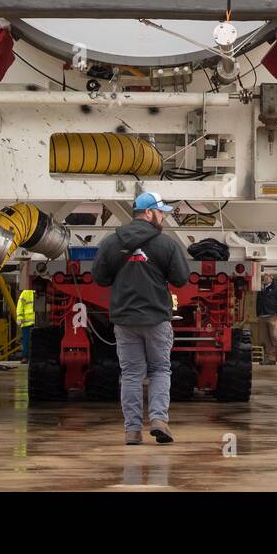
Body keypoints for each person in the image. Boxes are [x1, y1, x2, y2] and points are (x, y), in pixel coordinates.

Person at [93, 191, 189, 446]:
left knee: (132, 374)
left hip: (125, 320)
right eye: (161, 213)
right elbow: (181, 278)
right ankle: (159, 420)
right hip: (157, 318)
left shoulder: (112, 242)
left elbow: (100, 278)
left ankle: (132, 431)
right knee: (159, 370)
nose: (163, 218)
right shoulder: (165, 244)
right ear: (148, 212)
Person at [256, 273, 277, 365]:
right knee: (266, 338)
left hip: (273, 316)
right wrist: (258, 313)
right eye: (264, 276)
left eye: (268, 276)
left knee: (275, 335)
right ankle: (270, 358)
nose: (265, 277)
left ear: (272, 277)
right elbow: (258, 300)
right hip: (263, 316)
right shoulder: (262, 287)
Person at [15, 287, 36, 364]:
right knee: (26, 341)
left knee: (33, 341)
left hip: (37, 322)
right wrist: (19, 317)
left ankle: (30, 357)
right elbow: (20, 306)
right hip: (27, 322)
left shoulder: (27, 292)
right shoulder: (26, 292)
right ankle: (25, 357)